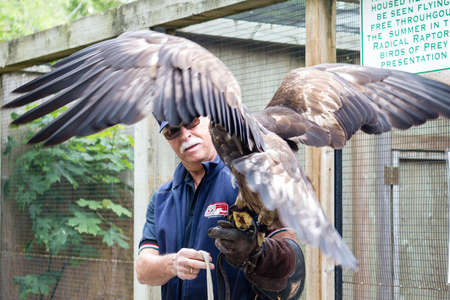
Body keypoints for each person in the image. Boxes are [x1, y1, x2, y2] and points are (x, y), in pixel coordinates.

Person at [135, 116, 306, 300]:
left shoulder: (252, 181)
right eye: (172, 131)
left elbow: (294, 272)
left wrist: (257, 253)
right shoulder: (162, 198)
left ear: (209, 118)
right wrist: (172, 263)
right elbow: (143, 269)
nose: (185, 135)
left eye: (191, 121)